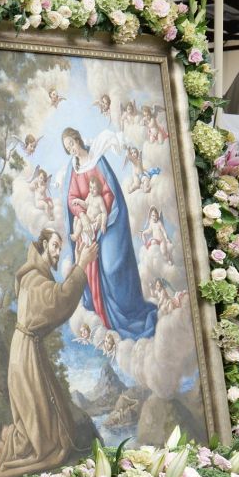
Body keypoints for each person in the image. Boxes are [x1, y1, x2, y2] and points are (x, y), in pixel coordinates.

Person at [0, 229, 100, 477]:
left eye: (59, 248)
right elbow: (58, 299)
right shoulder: (33, 278)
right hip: (25, 353)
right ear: (42, 245)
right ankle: (13, 447)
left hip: (29, 349)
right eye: (54, 246)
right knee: (35, 415)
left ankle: (19, 442)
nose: (56, 252)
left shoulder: (35, 275)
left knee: (40, 410)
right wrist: (82, 264)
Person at [62, 127, 158, 341]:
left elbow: (110, 191)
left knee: (112, 266)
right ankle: (101, 316)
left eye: (73, 145)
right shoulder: (74, 169)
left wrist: (98, 217)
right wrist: (84, 216)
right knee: (87, 260)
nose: (72, 150)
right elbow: (71, 199)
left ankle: (128, 310)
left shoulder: (97, 160)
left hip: (110, 220)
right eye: (68, 149)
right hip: (88, 225)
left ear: (78, 140)